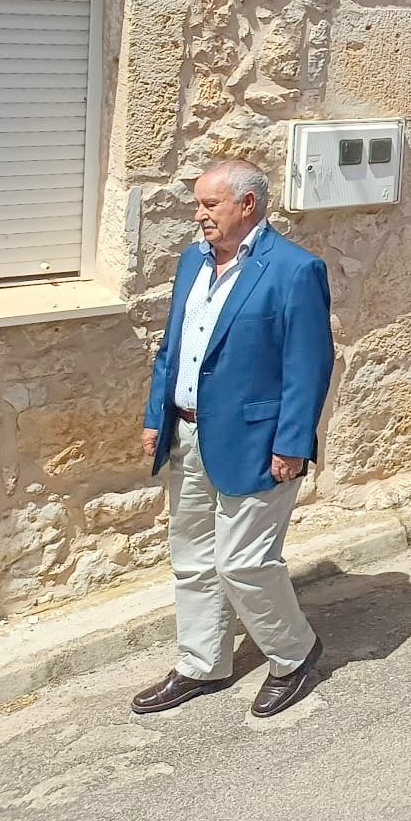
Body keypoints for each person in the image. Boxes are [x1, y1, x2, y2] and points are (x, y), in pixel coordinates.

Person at [133, 159, 334, 719]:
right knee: (193, 559)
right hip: (189, 434)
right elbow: (172, 348)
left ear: (248, 205)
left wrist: (293, 443)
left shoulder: (294, 270)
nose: (199, 216)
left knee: (243, 562)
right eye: (198, 205)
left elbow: (309, 365)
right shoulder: (192, 262)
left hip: (258, 441)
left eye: (209, 205)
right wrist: (157, 416)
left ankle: (294, 654)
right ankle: (202, 663)